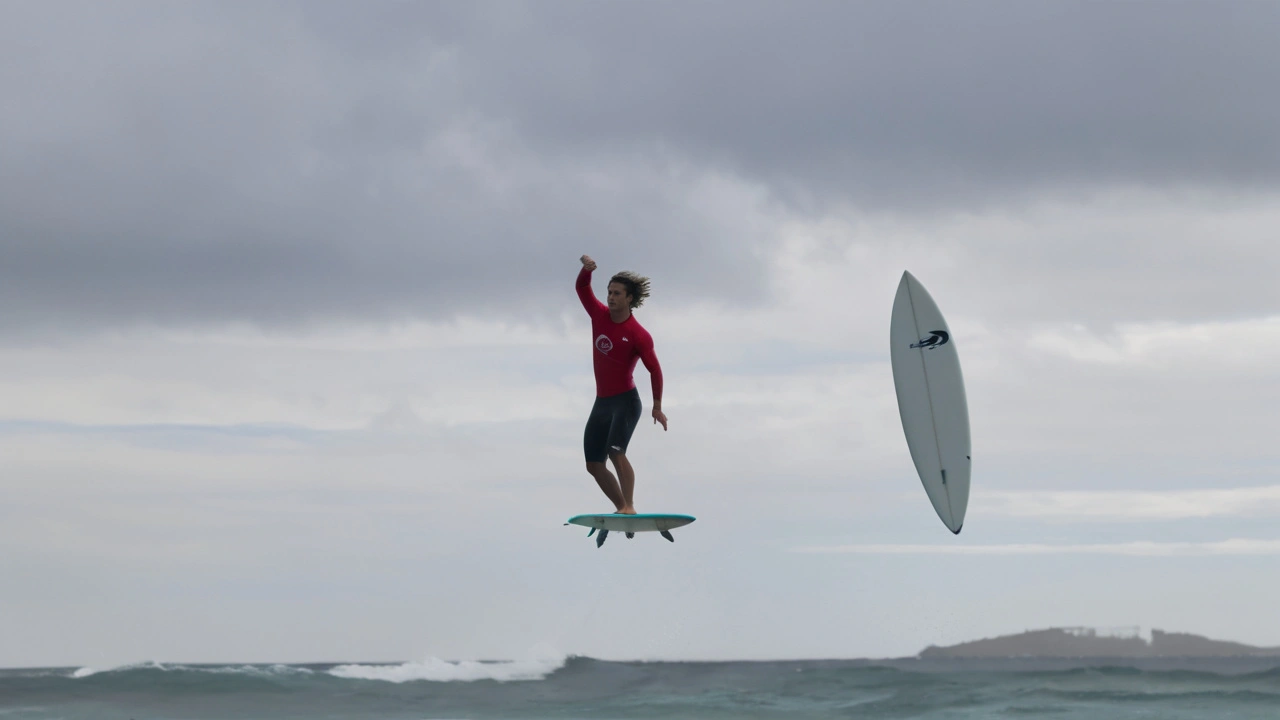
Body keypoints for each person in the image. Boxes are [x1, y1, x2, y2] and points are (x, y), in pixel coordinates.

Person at [576, 254, 667, 518]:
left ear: (630, 298)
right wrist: (587, 271)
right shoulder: (599, 316)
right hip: (602, 402)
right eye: (609, 292)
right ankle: (621, 508)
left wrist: (657, 406)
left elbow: (655, 369)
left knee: (616, 452)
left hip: (626, 402)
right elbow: (582, 289)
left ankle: (629, 505)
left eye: (617, 293)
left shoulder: (638, 334)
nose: (610, 297)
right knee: (593, 464)